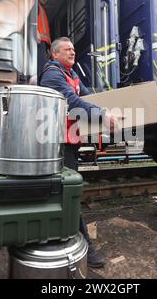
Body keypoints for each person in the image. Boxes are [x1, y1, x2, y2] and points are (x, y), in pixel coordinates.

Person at [39, 37, 122, 268]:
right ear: (54, 54)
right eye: (67, 50)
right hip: (57, 145)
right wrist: (103, 115)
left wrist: (109, 107)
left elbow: (87, 97)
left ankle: (61, 236)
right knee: (70, 193)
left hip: (69, 143)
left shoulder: (72, 74)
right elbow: (73, 102)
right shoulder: (52, 75)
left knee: (65, 192)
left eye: (74, 49)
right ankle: (85, 245)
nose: (72, 52)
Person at [37, 0, 51, 76]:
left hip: (44, 43)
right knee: (40, 65)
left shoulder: (43, 10)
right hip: (39, 41)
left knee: (44, 65)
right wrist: (36, 31)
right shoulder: (36, 7)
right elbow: (31, 19)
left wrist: (49, 48)